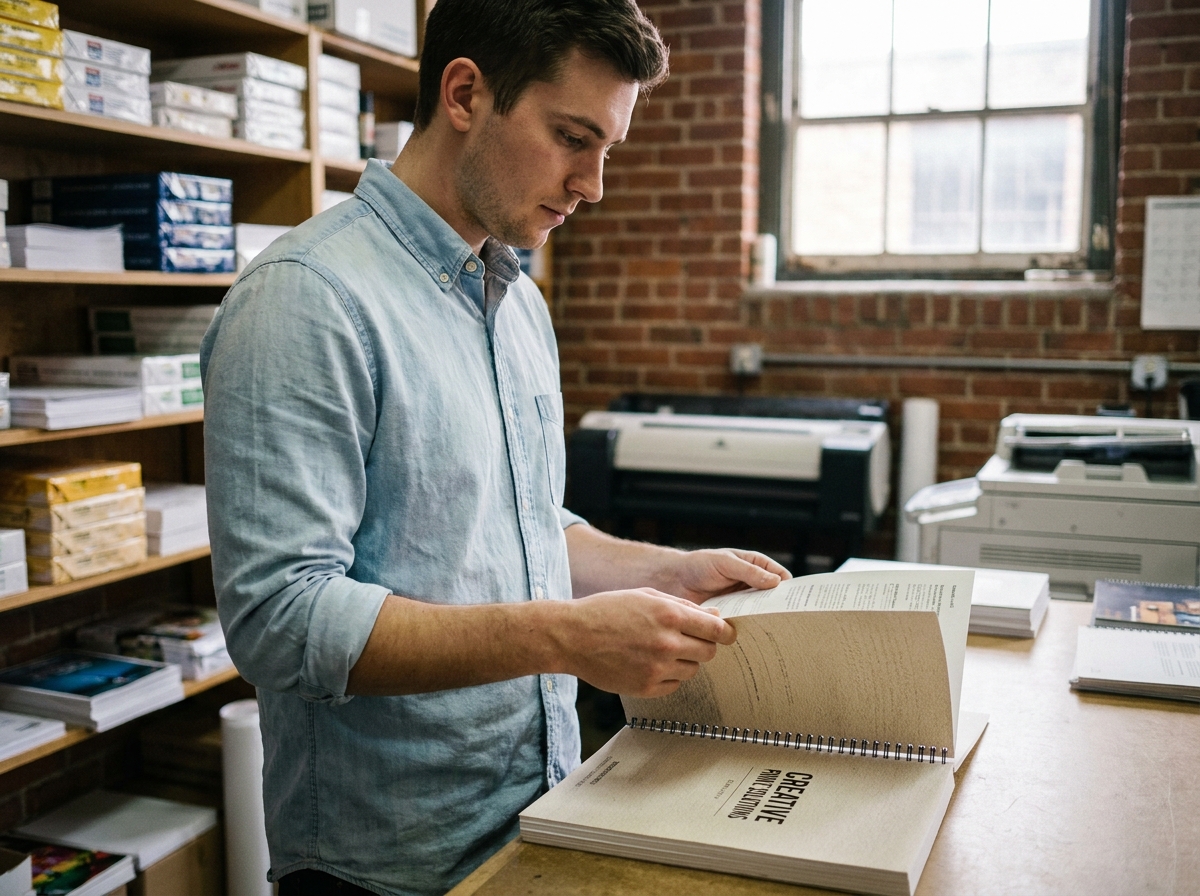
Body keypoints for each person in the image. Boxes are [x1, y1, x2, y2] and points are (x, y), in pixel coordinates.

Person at [200, 1, 790, 894]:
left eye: (607, 149)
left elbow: (518, 526)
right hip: (388, 864)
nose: (593, 183)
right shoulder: (305, 302)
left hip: (540, 811)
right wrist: (567, 637)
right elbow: (282, 621)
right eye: (570, 137)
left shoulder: (517, 300)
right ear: (466, 93)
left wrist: (668, 573)